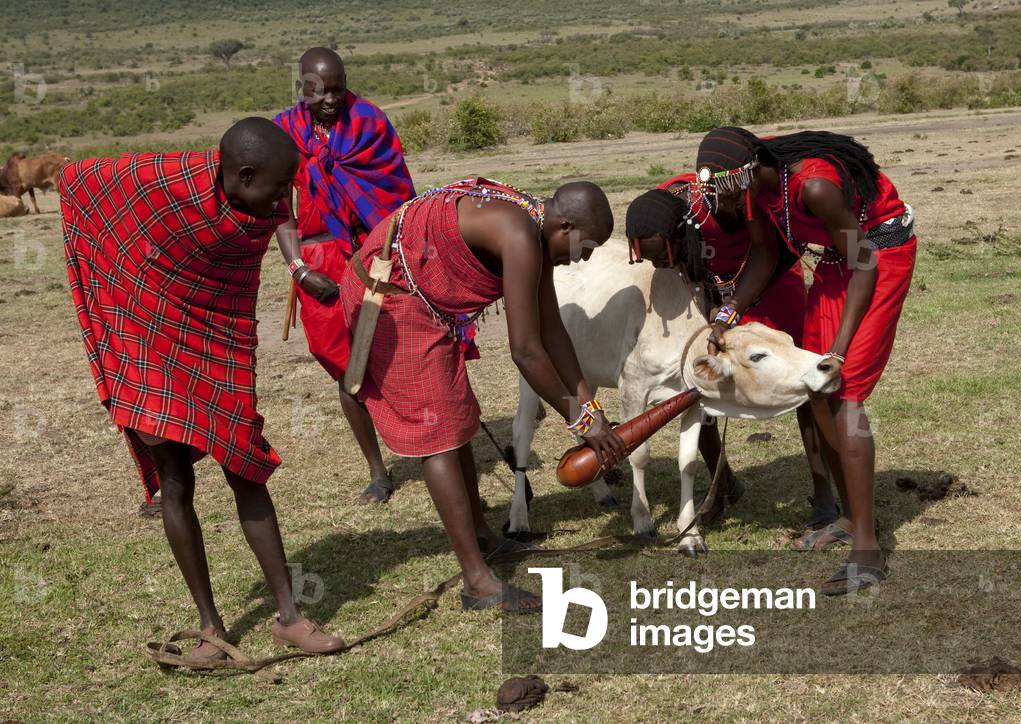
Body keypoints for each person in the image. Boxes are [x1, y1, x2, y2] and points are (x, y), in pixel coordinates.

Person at [59, 118, 345, 659]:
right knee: (176, 478)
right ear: (241, 174)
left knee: (245, 466)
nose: (287, 198)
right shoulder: (165, 180)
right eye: (279, 186)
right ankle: (211, 627)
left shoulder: (261, 198)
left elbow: (285, 216)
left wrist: (299, 266)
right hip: (146, 337)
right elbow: (79, 181)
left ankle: (289, 615)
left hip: (214, 339)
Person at [340, 177, 626, 611]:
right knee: (439, 435)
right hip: (391, 298)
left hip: (420, 299)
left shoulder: (537, 226)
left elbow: (553, 333)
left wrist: (590, 407)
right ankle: (476, 581)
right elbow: (526, 352)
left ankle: (482, 539)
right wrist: (581, 422)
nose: (581, 260)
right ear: (564, 226)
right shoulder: (520, 235)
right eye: (584, 248)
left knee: (458, 419)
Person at [693, 127, 917, 594]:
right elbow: (766, 252)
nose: (730, 206)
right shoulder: (753, 186)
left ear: (751, 170)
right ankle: (851, 519)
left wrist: (838, 348)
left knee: (844, 390)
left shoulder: (813, 186)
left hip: (876, 258)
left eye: (731, 193)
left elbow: (865, 260)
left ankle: (868, 552)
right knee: (816, 389)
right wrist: (730, 310)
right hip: (839, 262)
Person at [624, 174, 834, 532]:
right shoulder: (670, 204)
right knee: (701, 385)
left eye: (661, 256)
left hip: (772, 287)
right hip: (712, 296)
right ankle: (721, 484)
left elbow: (774, 251)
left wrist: (731, 305)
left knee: (805, 380)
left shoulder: (748, 199)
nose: (656, 265)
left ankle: (825, 496)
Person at [274, 47, 417, 504]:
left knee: (400, 358)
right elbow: (281, 212)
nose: (331, 100)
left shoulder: (370, 124)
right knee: (344, 367)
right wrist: (299, 270)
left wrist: (387, 256)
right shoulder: (285, 134)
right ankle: (378, 472)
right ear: (303, 88)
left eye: (338, 88)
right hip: (317, 263)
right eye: (320, 92)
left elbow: (397, 198)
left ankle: (430, 444)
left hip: (375, 253)